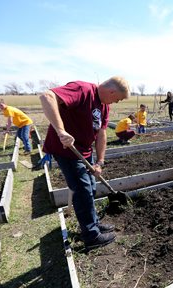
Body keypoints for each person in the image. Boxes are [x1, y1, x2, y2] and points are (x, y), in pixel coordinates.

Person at [40, 76, 130, 250]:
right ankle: (91, 236)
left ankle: (93, 223)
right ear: (111, 91)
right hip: (67, 150)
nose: (116, 102)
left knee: (91, 187)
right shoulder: (83, 90)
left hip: (85, 151)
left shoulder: (104, 105)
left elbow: (102, 133)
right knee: (82, 190)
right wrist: (61, 131)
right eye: (117, 98)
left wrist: (100, 162)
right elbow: (46, 97)